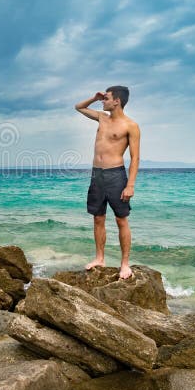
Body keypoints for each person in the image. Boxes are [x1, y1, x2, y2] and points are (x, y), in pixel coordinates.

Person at [74, 86, 140, 279]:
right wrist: (94, 97)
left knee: (121, 220)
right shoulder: (102, 117)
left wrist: (130, 185)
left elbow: (135, 158)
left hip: (116, 176)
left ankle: (125, 264)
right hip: (97, 175)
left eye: (106, 98)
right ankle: (100, 258)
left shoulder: (130, 125)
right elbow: (78, 107)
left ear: (117, 101)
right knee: (98, 218)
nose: (103, 100)